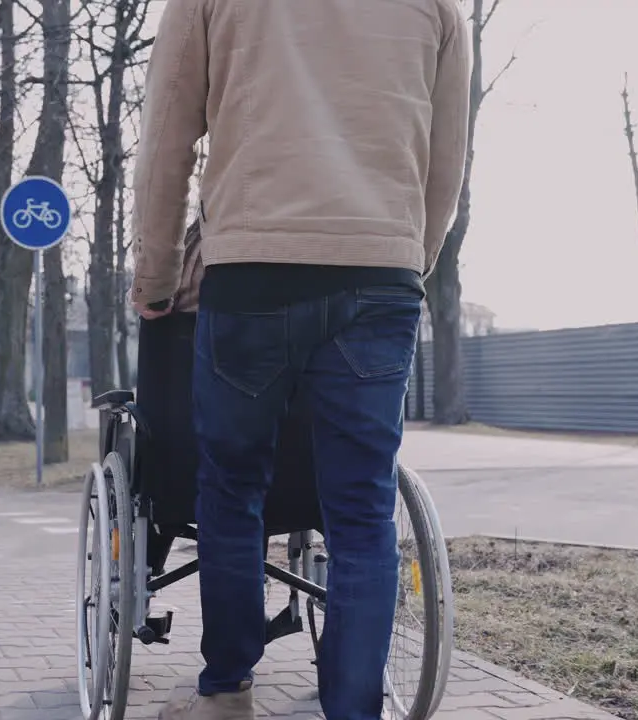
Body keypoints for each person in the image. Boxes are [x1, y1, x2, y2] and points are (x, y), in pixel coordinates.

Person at [127, 1, 471, 719]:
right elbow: (445, 161)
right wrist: (413, 260)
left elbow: (167, 139)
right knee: (362, 507)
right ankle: (353, 709)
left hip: (253, 267)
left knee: (229, 489)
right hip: (380, 272)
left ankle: (226, 693)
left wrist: (156, 279)